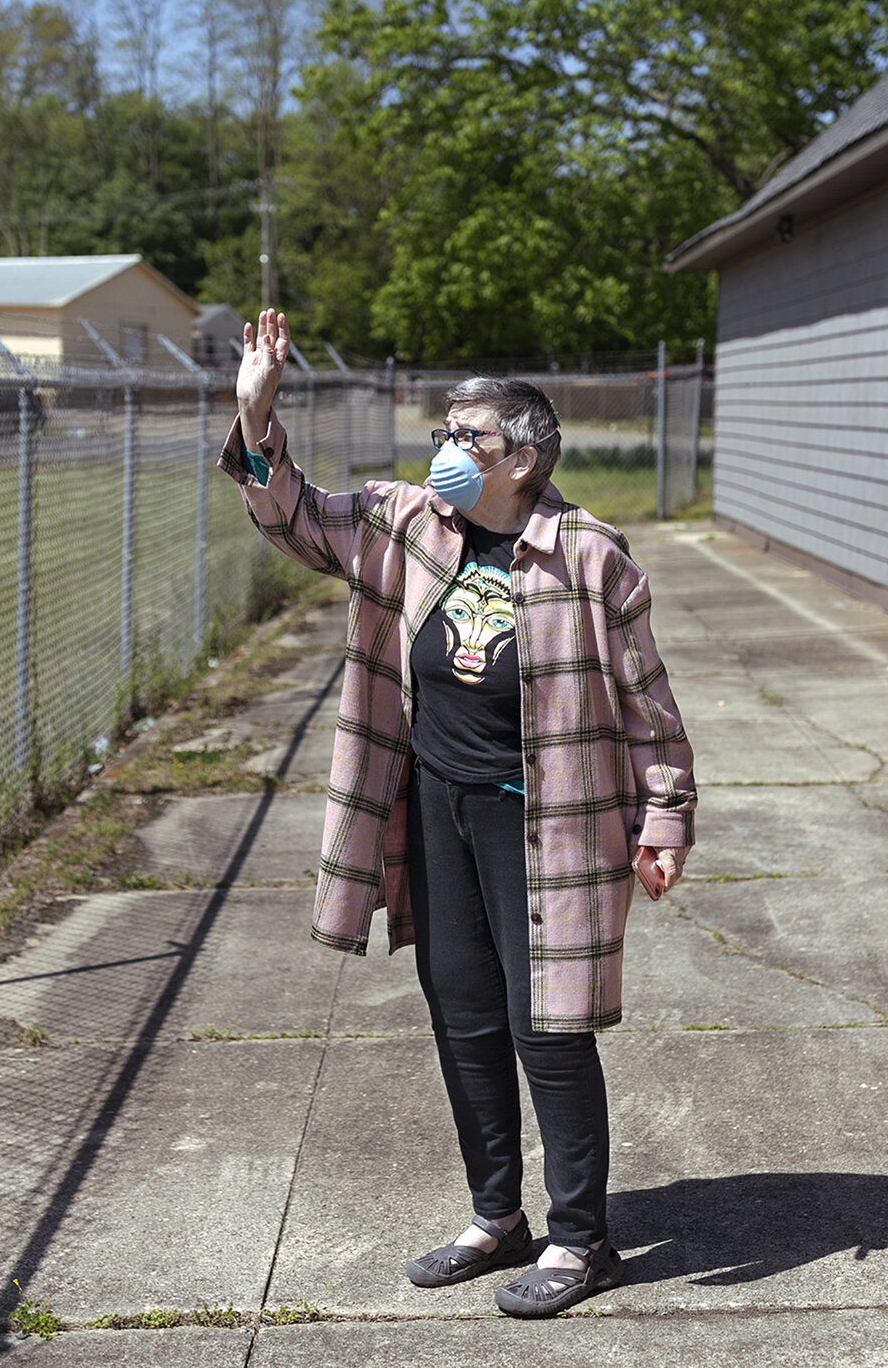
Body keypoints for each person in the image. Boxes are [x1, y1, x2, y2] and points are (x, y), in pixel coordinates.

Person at [221, 308, 696, 1319]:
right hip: (436, 807)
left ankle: (582, 1237)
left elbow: (651, 706)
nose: (443, 449)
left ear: (522, 460)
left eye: (466, 437)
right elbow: (294, 516)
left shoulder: (589, 556)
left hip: (550, 823)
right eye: (443, 430)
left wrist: (664, 818)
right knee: (464, 1014)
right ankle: (496, 1218)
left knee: (551, 1028)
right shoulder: (407, 522)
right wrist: (258, 411)